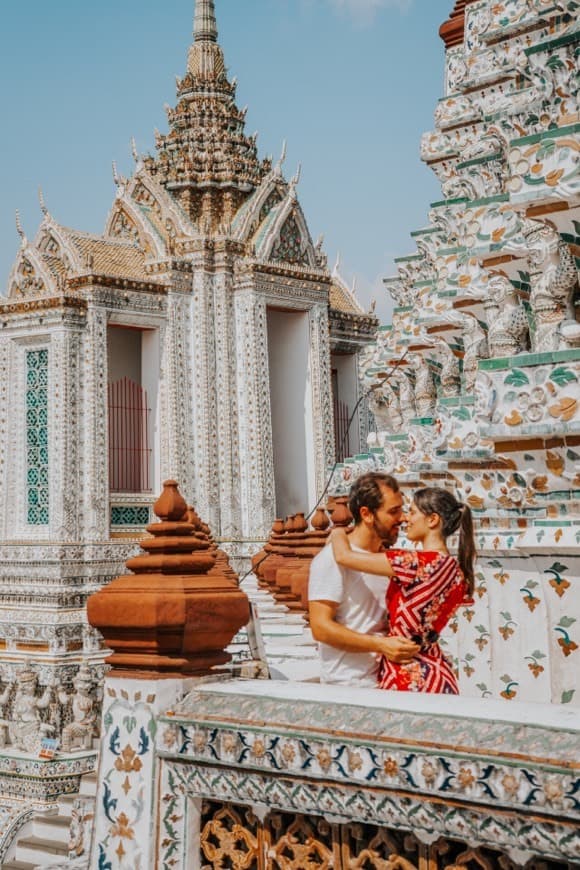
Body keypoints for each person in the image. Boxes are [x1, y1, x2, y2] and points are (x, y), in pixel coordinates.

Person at [330, 486, 475, 694]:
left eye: (413, 512)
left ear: (432, 520)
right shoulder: (457, 572)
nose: (406, 518)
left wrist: (337, 532)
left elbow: (344, 557)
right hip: (437, 671)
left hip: (407, 674)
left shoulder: (413, 563)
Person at [308, 473, 419, 686]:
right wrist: (381, 645)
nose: (402, 518)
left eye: (402, 510)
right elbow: (320, 627)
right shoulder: (332, 559)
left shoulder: (388, 561)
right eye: (393, 511)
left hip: (389, 680)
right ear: (367, 514)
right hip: (350, 684)